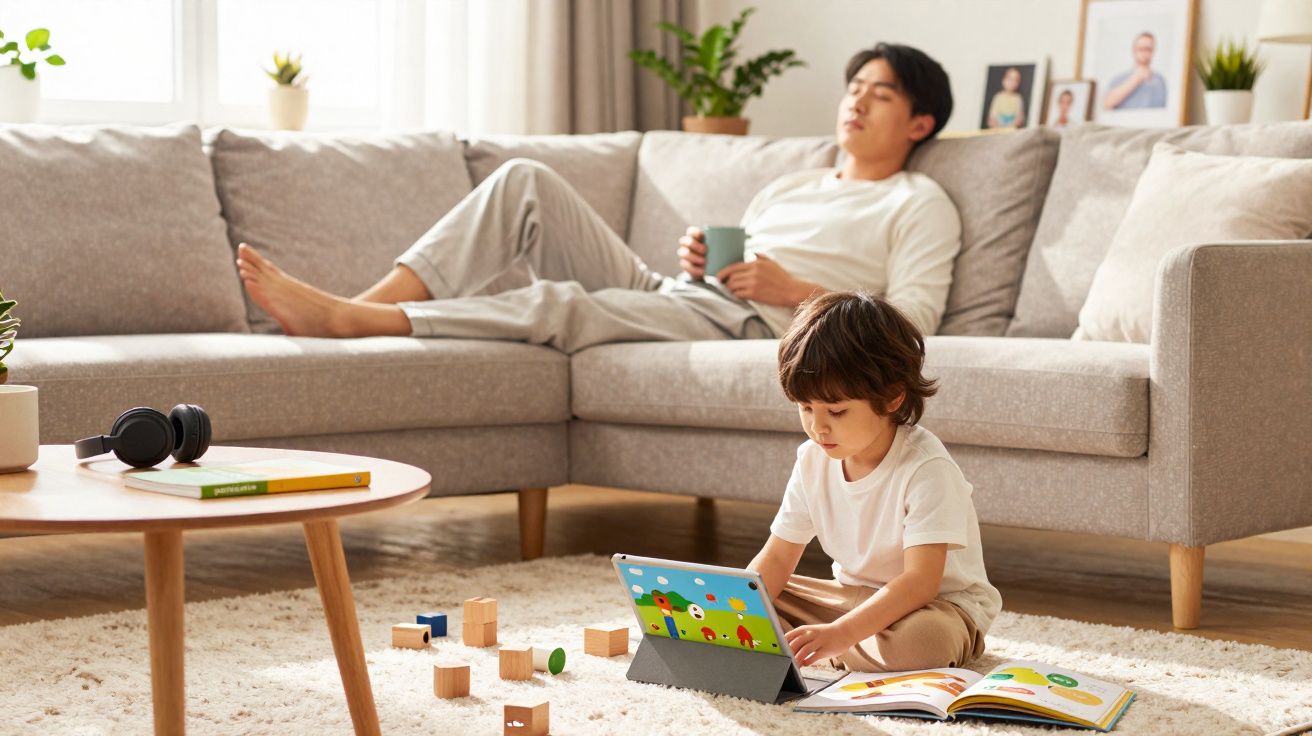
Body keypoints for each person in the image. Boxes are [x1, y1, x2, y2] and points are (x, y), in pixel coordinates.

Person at [234, 43, 961, 354]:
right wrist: (706, 258)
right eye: (853, 88)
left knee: (564, 304)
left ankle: (356, 323)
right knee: (526, 181)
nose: (856, 103)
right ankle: (364, 307)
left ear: (920, 122)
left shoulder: (918, 202)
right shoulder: (794, 183)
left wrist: (794, 289)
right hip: (690, 298)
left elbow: (915, 323)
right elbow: (731, 270)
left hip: (750, 327)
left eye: (881, 93)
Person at [749, 291, 1001, 672]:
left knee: (920, 645)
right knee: (754, 595)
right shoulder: (812, 459)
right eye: (805, 408)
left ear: (892, 398)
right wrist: (732, 605)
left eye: (836, 410)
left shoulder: (926, 467)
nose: (818, 427)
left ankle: (816, 647)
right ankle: (825, 644)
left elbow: (920, 582)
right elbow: (779, 556)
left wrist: (839, 634)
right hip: (851, 599)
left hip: (939, 607)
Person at [1103, 31, 1168, 110]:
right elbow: (1107, 103)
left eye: (1148, 49)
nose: (1145, 53)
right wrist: (1137, 77)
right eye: (1141, 49)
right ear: (1134, 51)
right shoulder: (1119, 79)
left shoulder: (1160, 80)